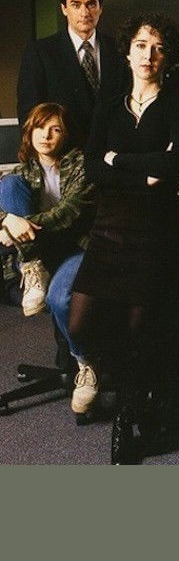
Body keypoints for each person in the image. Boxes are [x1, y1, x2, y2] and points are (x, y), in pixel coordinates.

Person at [67, 13, 179, 462]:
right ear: (127, 51)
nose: (149, 55)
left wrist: (117, 158)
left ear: (168, 57)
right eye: (141, 45)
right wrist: (143, 172)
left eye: (158, 48)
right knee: (81, 324)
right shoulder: (108, 105)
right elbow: (92, 169)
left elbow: (173, 165)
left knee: (140, 330)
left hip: (153, 229)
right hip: (108, 228)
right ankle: (133, 391)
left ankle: (129, 412)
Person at [0, 103, 96, 407]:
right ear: (30, 131)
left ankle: (86, 365)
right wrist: (6, 220)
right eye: (41, 127)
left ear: (66, 135)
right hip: (41, 253)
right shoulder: (22, 173)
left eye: (56, 129)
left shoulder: (82, 165)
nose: (47, 135)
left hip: (76, 248)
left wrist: (16, 227)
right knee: (8, 185)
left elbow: (69, 213)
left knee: (60, 299)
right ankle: (33, 268)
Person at [17, 0, 127, 141]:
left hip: (112, 152)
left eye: (91, 4)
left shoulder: (120, 51)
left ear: (100, 8)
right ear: (64, 9)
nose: (84, 12)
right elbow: (29, 115)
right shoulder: (40, 53)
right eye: (76, 5)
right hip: (63, 152)